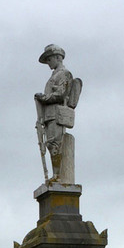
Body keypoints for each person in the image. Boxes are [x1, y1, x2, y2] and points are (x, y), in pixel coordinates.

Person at [35, 44, 81, 182]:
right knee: (50, 144)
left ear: (57, 57)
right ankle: (55, 175)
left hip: (57, 114)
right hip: (49, 115)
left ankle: (57, 175)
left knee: (54, 144)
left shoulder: (65, 74)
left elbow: (60, 94)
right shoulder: (53, 76)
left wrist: (43, 98)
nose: (48, 63)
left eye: (49, 59)